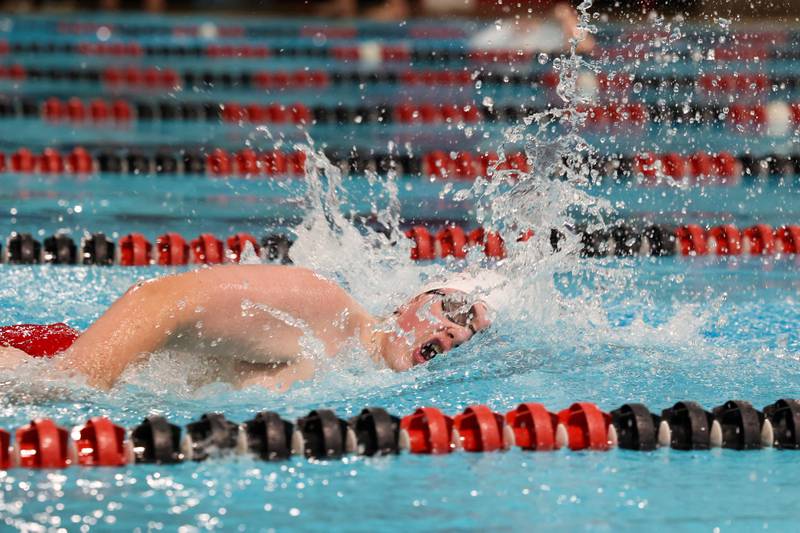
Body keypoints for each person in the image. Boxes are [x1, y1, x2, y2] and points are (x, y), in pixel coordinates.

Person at [0, 264, 491, 391]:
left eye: (472, 330)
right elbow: (163, 299)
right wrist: (79, 378)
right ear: (411, 301)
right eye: (456, 309)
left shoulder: (353, 371)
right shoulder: (327, 311)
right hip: (41, 360)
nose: (458, 332)